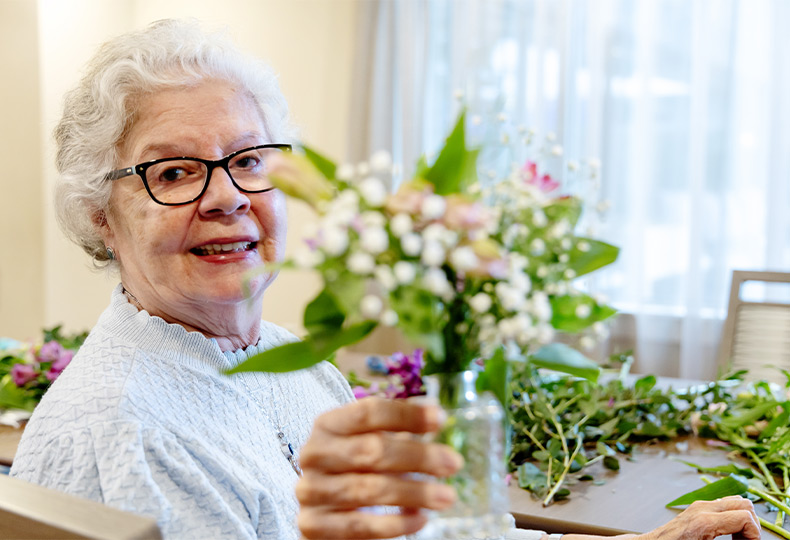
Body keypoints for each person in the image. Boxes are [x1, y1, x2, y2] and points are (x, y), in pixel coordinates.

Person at [10, 19, 761, 540]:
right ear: (99, 214)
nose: (228, 196)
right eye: (174, 171)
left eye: (247, 161)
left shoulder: (287, 357)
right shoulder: (125, 434)